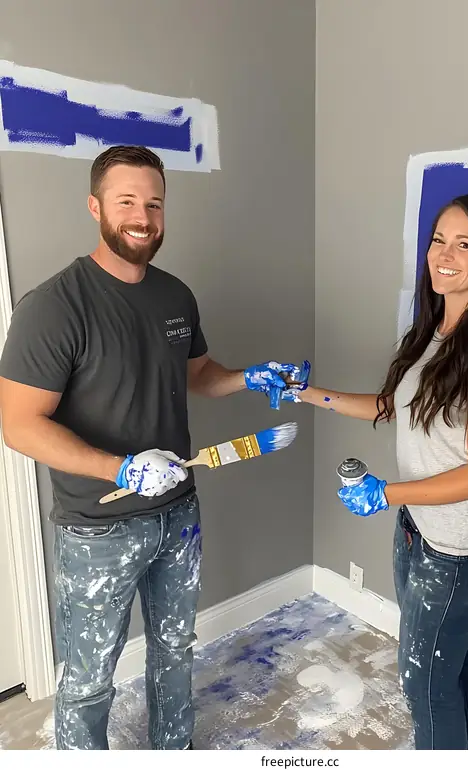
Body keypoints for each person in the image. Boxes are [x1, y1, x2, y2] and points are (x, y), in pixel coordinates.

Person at [0, 145, 301, 750]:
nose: (143, 217)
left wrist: (248, 377)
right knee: (87, 682)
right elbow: (18, 425)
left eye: (154, 203)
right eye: (127, 202)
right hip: (97, 528)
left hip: (178, 515)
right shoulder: (53, 308)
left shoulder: (174, 297)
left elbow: (199, 374)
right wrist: (122, 468)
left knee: (174, 651)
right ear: (95, 207)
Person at [284, 193, 468, 750]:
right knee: (458, 658)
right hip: (421, 533)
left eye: (464, 244)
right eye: (438, 239)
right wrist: (305, 394)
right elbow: (392, 405)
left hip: (459, 549)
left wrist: (386, 493)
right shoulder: (434, 337)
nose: (443, 254)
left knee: (423, 681)